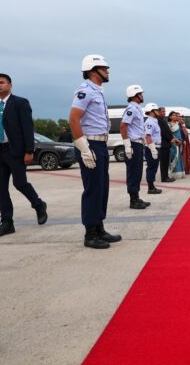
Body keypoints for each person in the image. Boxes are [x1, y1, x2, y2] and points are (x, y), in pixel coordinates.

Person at [0, 73, 48, 238]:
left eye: (2, 82)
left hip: (15, 152)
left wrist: (29, 150)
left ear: (10, 85)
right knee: (1, 189)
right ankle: (6, 222)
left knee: (20, 183)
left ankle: (38, 205)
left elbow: (27, 127)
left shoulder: (20, 103)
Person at [68, 54, 122, 250]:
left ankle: (99, 227)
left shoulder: (98, 91)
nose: (107, 71)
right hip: (90, 144)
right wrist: (83, 148)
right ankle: (90, 234)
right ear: (93, 70)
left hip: (100, 144)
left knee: (102, 188)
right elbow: (73, 119)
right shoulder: (85, 91)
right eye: (104, 68)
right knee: (93, 189)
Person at [121, 85, 150, 210]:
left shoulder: (137, 109)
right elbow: (123, 126)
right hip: (133, 143)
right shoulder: (131, 109)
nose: (142, 96)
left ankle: (136, 197)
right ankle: (133, 200)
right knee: (133, 172)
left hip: (138, 143)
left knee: (138, 172)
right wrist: (127, 144)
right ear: (135, 95)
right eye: (140, 94)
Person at [143, 103, 163, 194]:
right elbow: (148, 136)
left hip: (156, 147)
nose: (158, 112)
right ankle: (150, 188)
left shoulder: (154, 121)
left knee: (154, 167)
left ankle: (152, 186)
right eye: (157, 110)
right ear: (152, 111)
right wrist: (153, 149)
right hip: (151, 147)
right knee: (151, 167)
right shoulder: (150, 122)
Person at [157, 107, 174, 183]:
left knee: (166, 162)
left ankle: (166, 176)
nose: (164, 113)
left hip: (167, 144)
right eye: (163, 111)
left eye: (164, 111)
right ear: (158, 112)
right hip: (164, 144)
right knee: (163, 162)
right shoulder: (159, 121)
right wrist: (170, 139)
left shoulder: (163, 120)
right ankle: (164, 178)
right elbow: (163, 133)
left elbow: (168, 131)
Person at [168, 111, 185, 179]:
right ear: (170, 117)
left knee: (179, 158)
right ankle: (172, 173)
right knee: (174, 157)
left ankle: (180, 173)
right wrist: (176, 140)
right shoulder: (169, 124)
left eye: (175, 115)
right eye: (173, 115)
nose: (175, 116)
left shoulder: (178, 124)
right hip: (173, 144)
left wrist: (181, 141)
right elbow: (170, 134)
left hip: (179, 143)